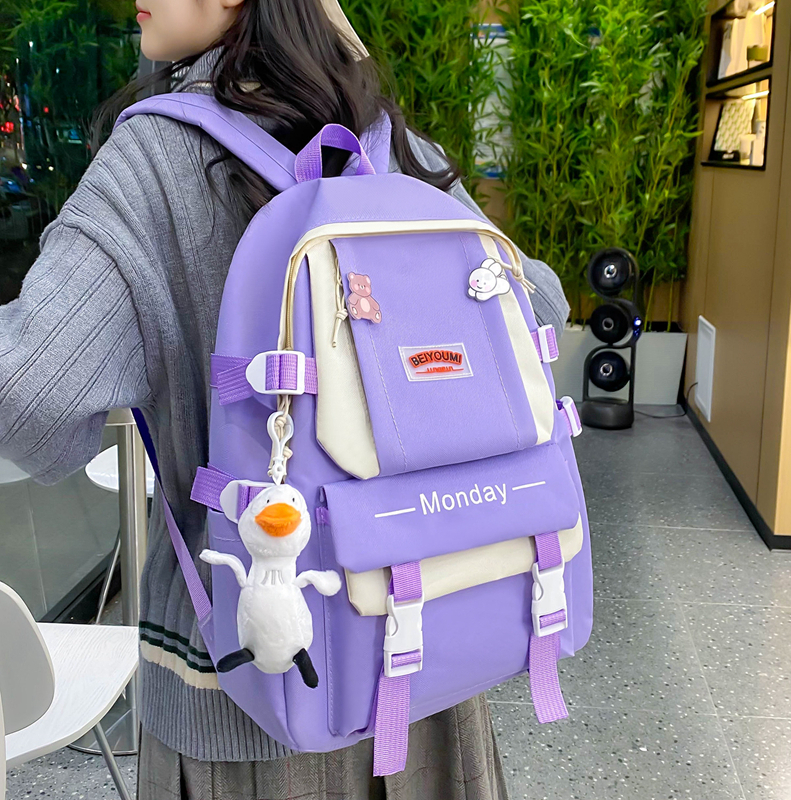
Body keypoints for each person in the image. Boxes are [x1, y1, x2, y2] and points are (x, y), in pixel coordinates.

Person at [0, 0, 569, 797]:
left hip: (245, 681)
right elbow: (541, 310)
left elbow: (29, 398)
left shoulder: (153, 161)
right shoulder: (387, 143)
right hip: (429, 634)